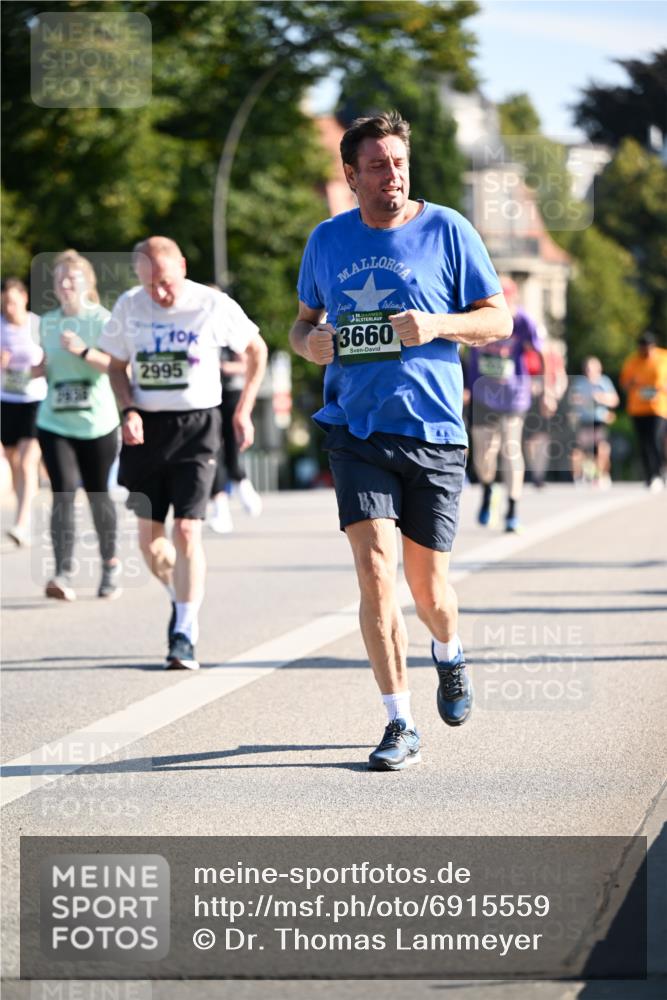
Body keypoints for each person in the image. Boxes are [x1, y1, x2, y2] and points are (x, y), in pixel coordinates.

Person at [289, 112, 511, 772]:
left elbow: (496, 319)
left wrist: (435, 325)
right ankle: (398, 722)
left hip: (434, 432)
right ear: (350, 174)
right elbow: (301, 325)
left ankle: (448, 653)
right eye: (379, 164)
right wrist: (312, 345)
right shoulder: (326, 240)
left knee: (430, 593)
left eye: (399, 162)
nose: (393, 174)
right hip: (354, 432)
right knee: (374, 572)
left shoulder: (448, 229)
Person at [99, 236, 267, 669]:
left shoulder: (211, 304)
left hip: (198, 426)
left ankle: (184, 633)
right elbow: (116, 366)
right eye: (150, 284)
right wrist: (128, 408)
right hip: (145, 429)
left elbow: (256, 350)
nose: (160, 294)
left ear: (184, 267)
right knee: (150, 545)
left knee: (188, 532)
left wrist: (244, 410)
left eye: (167, 283)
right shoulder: (129, 306)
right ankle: (182, 595)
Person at [36, 251, 121, 601]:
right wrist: (26, 369)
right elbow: (45, 366)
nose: (66, 284)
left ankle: (110, 566)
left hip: (98, 423)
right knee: (63, 494)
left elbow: (118, 368)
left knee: (99, 495)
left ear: (88, 283)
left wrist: (85, 351)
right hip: (54, 420)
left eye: (72, 278)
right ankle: (63, 573)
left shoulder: (103, 320)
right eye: (60, 279)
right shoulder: (46, 323)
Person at [466, 277, 545, 532]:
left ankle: (512, 509)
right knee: (483, 456)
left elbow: (540, 352)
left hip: (513, 395)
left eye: (506, 300)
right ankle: (489, 489)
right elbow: (463, 351)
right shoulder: (476, 316)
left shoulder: (523, 321)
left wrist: (545, 386)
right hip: (482, 395)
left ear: (514, 300)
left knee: (511, 451)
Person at [1, 277, 46, 546]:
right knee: (12, 461)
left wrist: (34, 371)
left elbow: (51, 360)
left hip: (34, 399)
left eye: (13, 303)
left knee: (29, 460)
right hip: (6, 400)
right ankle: (23, 512)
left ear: (24, 299)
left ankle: (21, 521)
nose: (9, 308)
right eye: (5, 303)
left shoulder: (38, 325)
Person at [208, 346, 263, 534]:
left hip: (231, 394)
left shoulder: (229, 334)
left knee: (232, 448)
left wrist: (220, 367)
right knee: (212, 452)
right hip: (207, 398)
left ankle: (243, 484)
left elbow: (245, 364)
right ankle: (220, 508)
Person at [619, 332, 667, 491]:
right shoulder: (632, 361)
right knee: (643, 442)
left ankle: (658, 473)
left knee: (655, 440)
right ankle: (649, 476)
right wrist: (631, 383)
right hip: (638, 408)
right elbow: (624, 384)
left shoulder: (663, 358)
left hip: (658, 407)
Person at [568, 356, 619, 488]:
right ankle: (579, 476)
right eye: (587, 368)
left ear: (599, 368)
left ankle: (602, 475)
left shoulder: (604, 382)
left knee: (602, 448)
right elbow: (572, 400)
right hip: (584, 421)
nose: (589, 371)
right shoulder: (580, 382)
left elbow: (614, 400)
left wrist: (601, 398)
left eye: (591, 368)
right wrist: (579, 400)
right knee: (579, 450)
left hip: (599, 420)